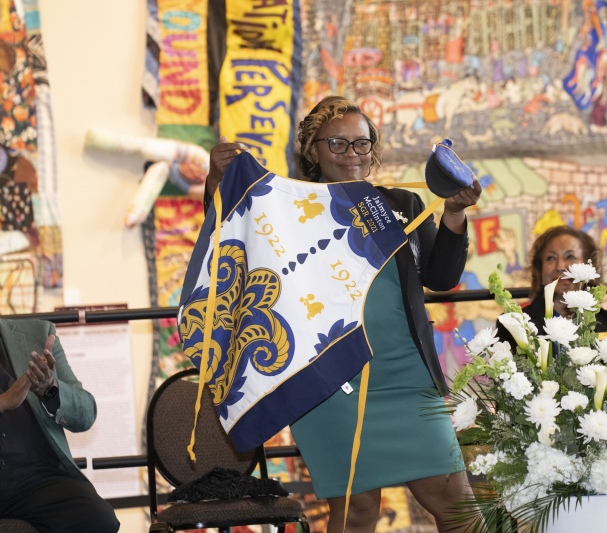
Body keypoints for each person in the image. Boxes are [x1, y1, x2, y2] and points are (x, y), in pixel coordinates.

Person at [205, 95, 482, 533]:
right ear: (312, 150)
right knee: (356, 513)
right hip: (329, 380)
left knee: (457, 503)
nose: (351, 153)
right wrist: (216, 181)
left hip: (406, 377)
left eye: (361, 143)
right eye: (337, 143)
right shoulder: (285, 208)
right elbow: (230, 240)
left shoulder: (403, 204)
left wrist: (453, 212)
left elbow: (442, 277)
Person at [0, 253, 119, 533]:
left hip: (35, 481)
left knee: (99, 518)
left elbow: (86, 414)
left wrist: (50, 391)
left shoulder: (38, 334)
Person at [496, 225, 607, 347]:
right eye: (551, 258)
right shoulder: (514, 324)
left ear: (589, 266)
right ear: (540, 270)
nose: (560, 266)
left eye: (570, 257)